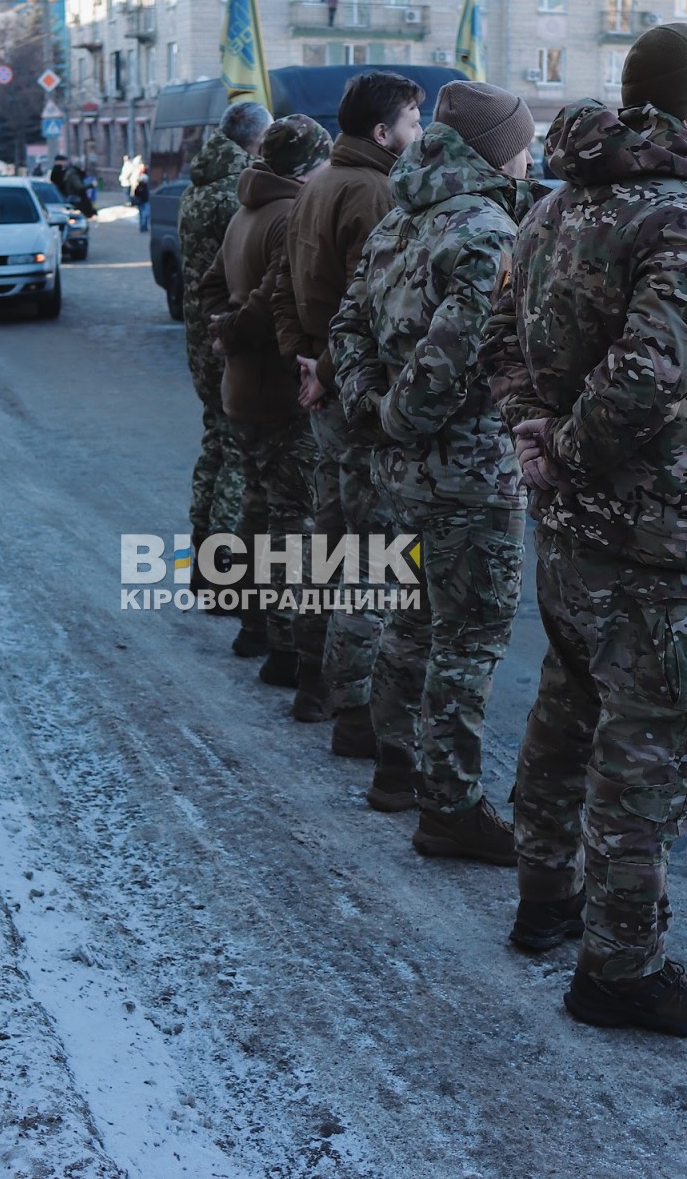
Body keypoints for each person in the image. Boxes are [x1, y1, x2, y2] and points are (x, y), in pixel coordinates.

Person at [490, 20, 687, 1039]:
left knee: (564, 713)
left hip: (569, 532)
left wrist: (533, 438)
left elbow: (501, 342)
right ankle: (617, 968)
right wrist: (567, 450)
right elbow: (647, 377)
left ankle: (544, 897)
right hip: (654, 537)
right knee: (647, 753)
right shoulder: (686, 221)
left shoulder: (552, 206)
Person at [329, 80, 531, 865]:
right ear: (494, 150)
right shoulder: (485, 230)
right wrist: (396, 416)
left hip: (399, 472)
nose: (530, 157)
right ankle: (449, 807)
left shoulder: (403, 219)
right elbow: (456, 357)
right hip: (466, 476)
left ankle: (396, 767)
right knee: (467, 640)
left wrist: (370, 403)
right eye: (522, 144)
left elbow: (346, 325)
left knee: (412, 622)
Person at [264, 70, 425, 741]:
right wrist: (323, 369)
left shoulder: (320, 182)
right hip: (354, 392)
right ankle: (354, 709)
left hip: (325, 386)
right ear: (384, 133)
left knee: (325, 537)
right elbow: (373, 306)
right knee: (373, 557)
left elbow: (283, 287)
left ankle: (311, 677)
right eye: (415, 123)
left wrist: (303, 358)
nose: (420, 135)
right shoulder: (376, 191)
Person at [202, 115, 333, 692]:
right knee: (290, 520)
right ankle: (284, 645)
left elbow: (211, 288)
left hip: (241, 388)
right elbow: (271, 299)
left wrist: (220, 328)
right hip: (279, 388)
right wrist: (234, 327)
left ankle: (252, 622)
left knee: (258, 506)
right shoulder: (288, 216)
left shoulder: (244, 211)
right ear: (306, 168)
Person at [180, 102, 268, 644]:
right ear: (254, 143)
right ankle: (220, 578)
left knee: (215, 446)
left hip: (200, 335)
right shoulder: (235, 188)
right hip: (225, 337)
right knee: (235, 453)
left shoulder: (201, 182)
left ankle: (203, 566)